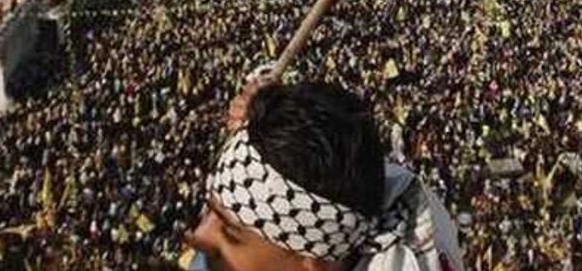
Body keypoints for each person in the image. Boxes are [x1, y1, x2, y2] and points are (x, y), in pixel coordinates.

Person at [188, 80, 464, 271]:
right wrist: (264, 129)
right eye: (211, 212)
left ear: (311, 263)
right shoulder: (368, 196)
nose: (198, 236)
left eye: (230, 233)